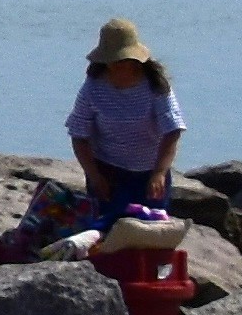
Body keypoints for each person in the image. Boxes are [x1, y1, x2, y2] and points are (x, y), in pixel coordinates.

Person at [65, 20, 184, 224]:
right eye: (112, 60)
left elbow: (172, 131)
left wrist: (159, 173)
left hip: (149, 171)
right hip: (108, 172)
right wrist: (93, 174)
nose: (117, 65)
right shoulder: (93, 86)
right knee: (109, 228)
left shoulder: (155, 85)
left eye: (122, 60)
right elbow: (78, 134)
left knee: (150, 228)